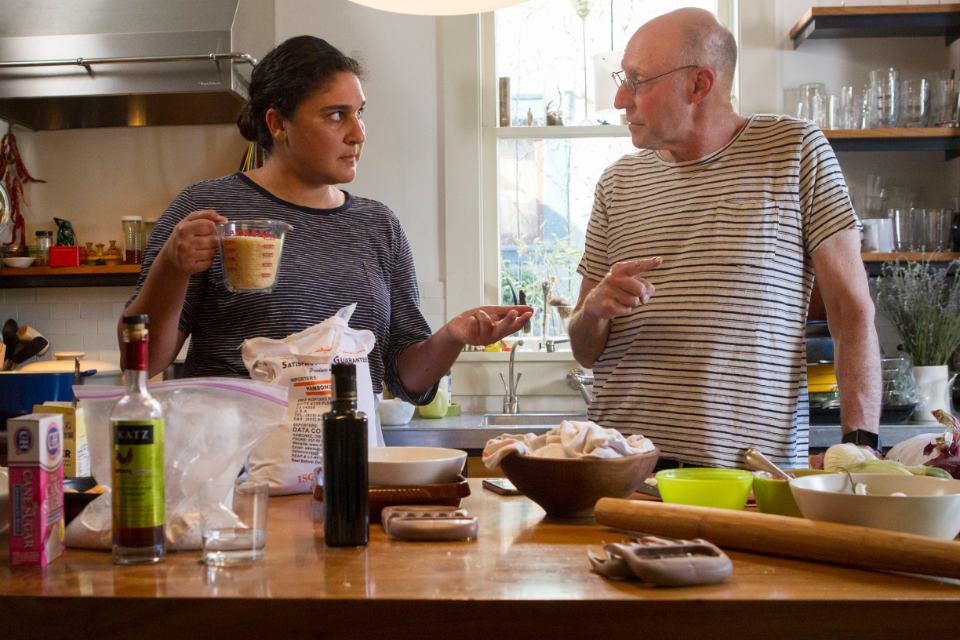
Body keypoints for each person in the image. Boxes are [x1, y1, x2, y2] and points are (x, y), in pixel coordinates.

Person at [122, 35, 531, 404]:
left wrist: (453, 336)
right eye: (336, 115)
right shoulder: (209, 207)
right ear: (278, 124)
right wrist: (171, 267)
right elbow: (140, 360)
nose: (358, 133)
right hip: (236, 471)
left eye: (359, 113)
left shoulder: (378, 225)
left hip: (347, 461)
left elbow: (407, 379)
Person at [567, 8, 881, 468]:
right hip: (623, 473)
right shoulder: (617, 184)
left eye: (637, 81)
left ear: (699, 84)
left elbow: (850, 310)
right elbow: (584, 350)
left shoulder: (794, 152)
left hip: (748, 476)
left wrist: (861, 445)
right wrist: (594, 309)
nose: (619, 99)